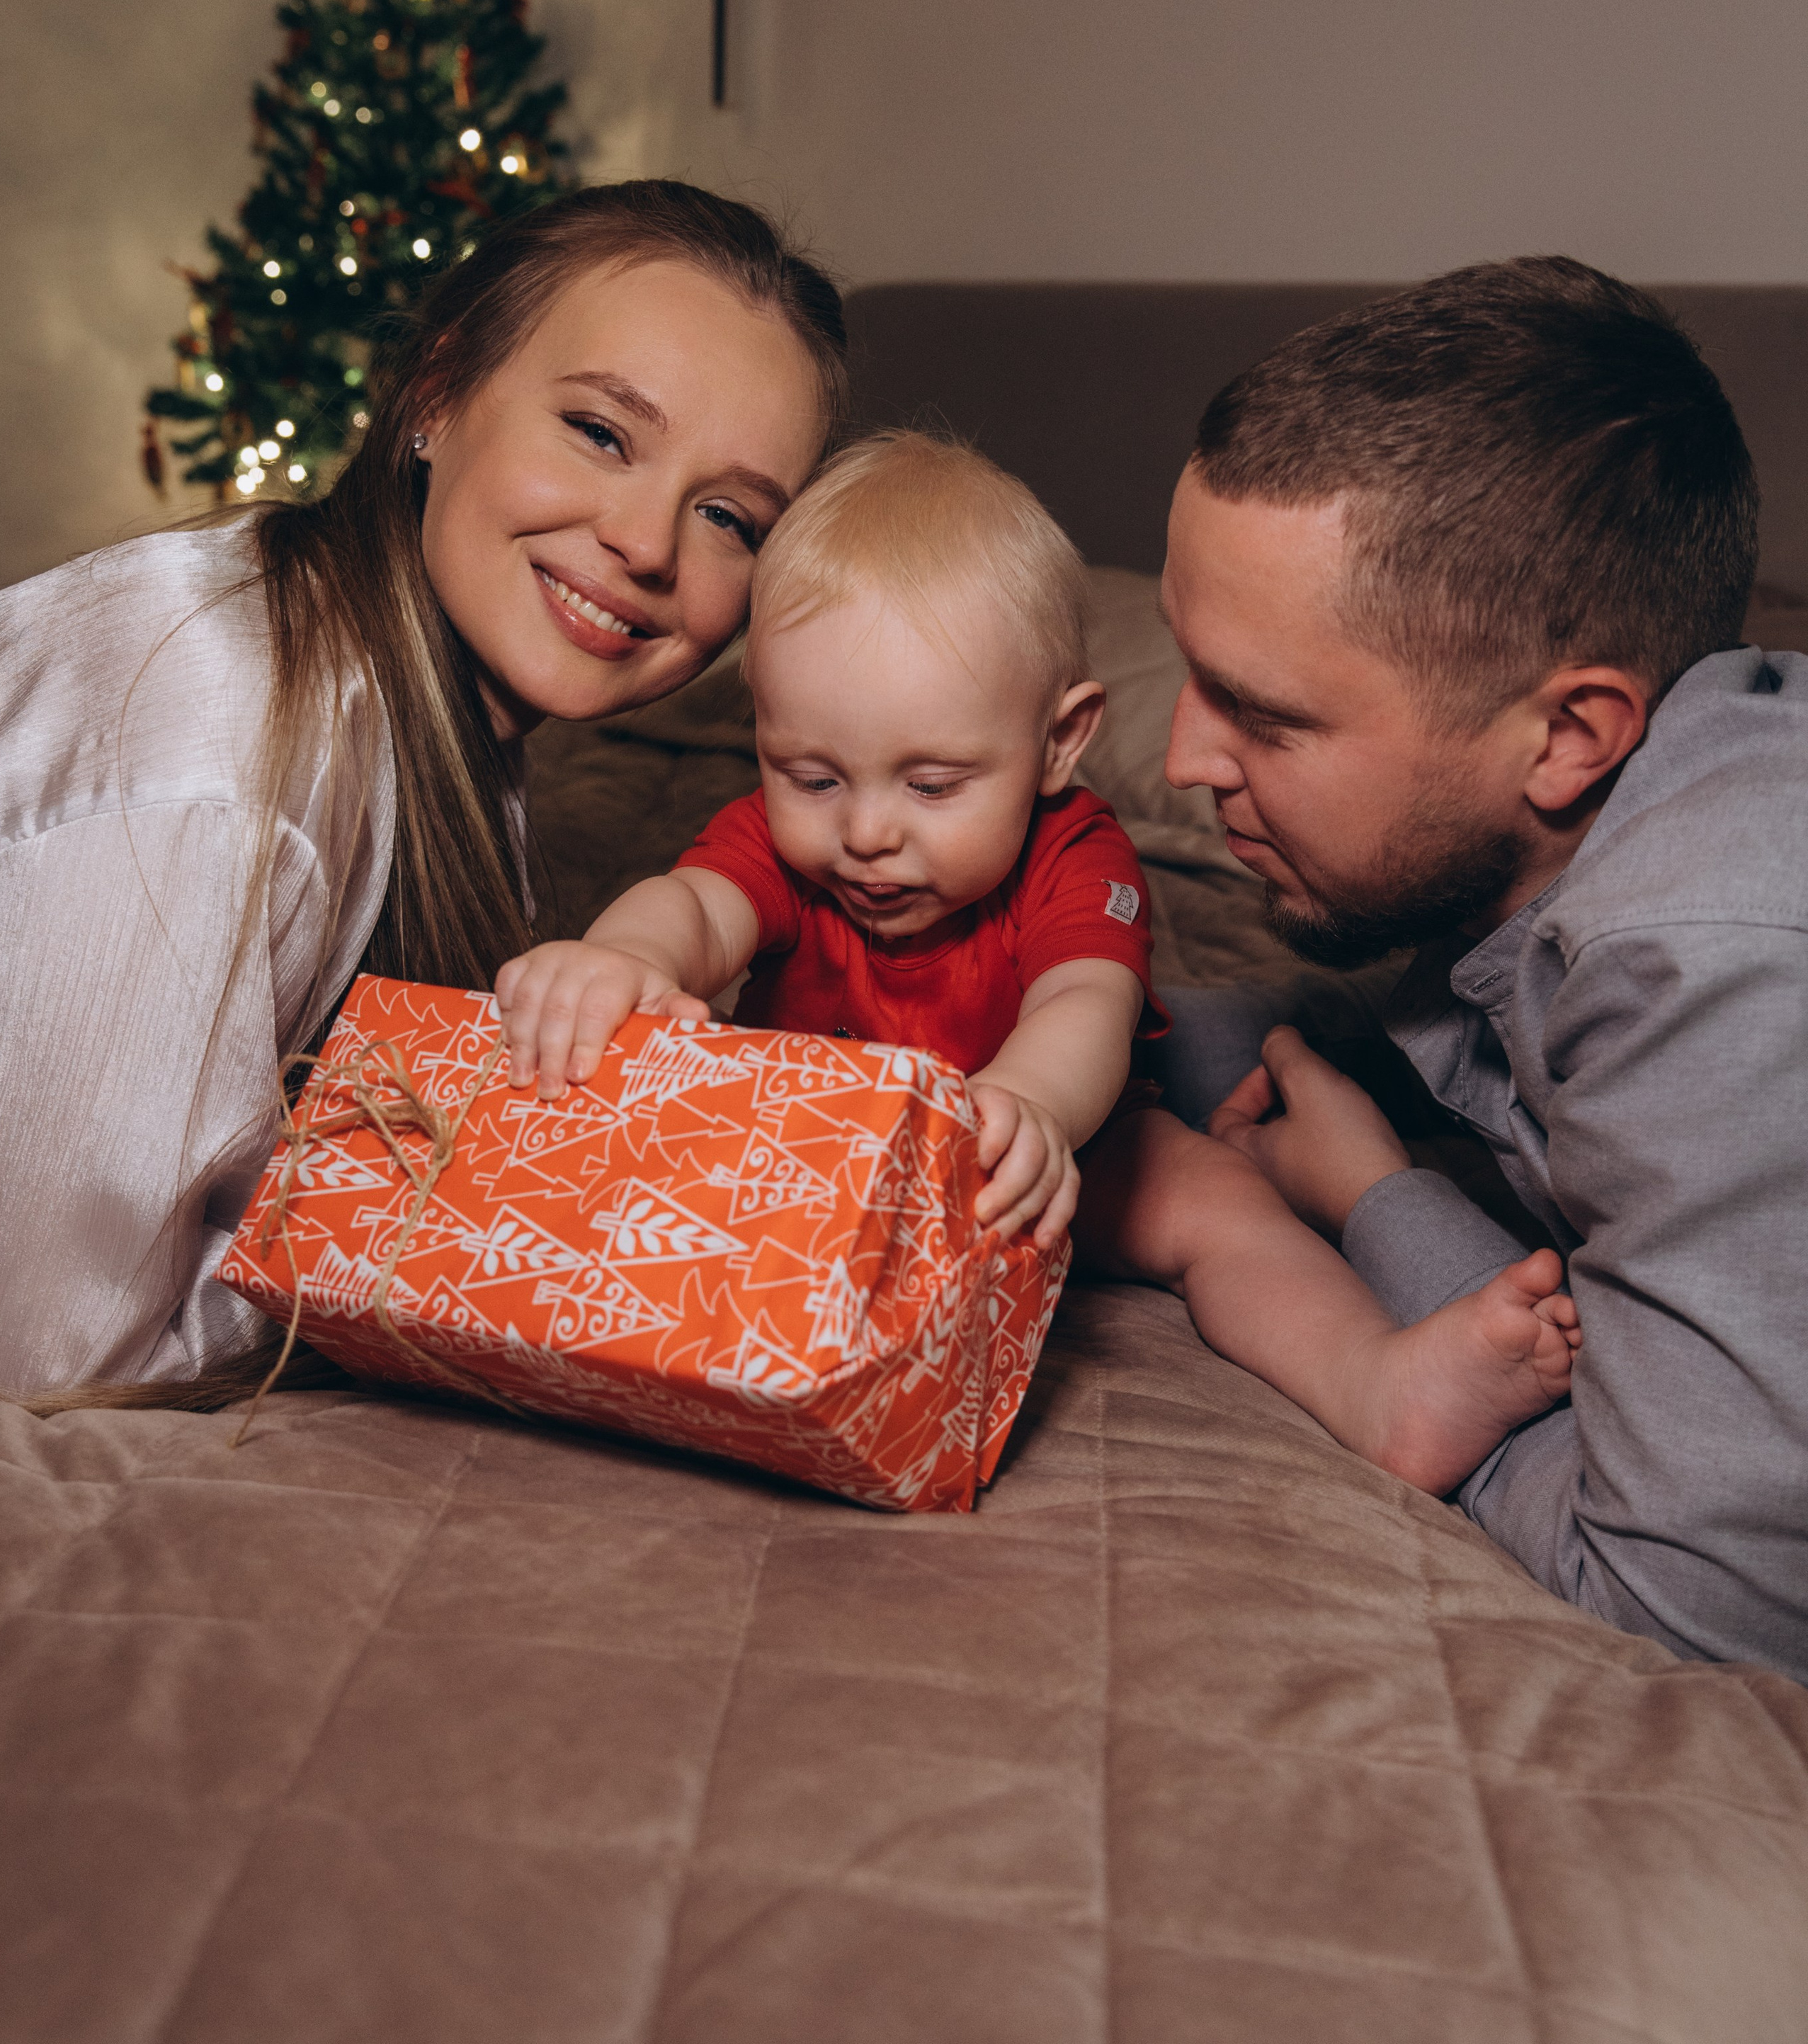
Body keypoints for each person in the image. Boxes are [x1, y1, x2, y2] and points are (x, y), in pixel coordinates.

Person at [497, 433, 1580, 1443]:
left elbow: (1084, 1006)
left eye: (932, 783)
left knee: (1219, 1210)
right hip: (821, 1153)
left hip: (1041, 1151)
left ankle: (1377, 1386)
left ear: (1058, 742)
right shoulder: (786, 851)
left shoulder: (1077, 855)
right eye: (811, 775)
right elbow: (691, 907)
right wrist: (624, 959)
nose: (867, 834)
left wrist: (1031, 1109)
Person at [0, 181, 846, 1402]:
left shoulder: (437, 717)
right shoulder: (229, 759)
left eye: (728, 516)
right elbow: (55, 1357)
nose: (651, 545)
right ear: (439, 393)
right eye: (601, 433)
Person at [1112, 255, 1808, 1679]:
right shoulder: (1576, 841)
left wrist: (1372, 1196)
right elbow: (1359, 1035)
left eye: (1263, 715)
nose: (1183, 763)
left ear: (1566, 737)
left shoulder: (1705, 959)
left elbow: (1680, 1601)